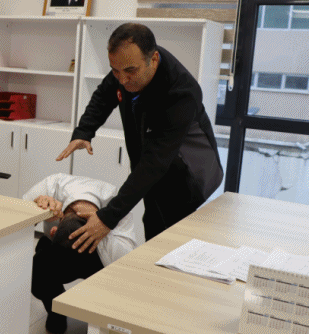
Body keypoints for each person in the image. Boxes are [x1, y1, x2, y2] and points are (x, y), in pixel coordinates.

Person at [56, 22, 223, 251]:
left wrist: (107, 218)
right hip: (155, 164)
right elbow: (104, 95)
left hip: (188, 177)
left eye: (130, 72)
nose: (122, 80)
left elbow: (154, 165)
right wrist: (84, 131)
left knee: (171, 241)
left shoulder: (181, 93)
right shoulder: (126, 66)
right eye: (115, 71)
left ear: (153, 59)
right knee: (152, 229)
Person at [23, 173, 138, 334]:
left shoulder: (115, 201)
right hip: (59, 249)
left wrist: (102, 227)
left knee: (119, 286)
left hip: (97, 254)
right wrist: (35, 210)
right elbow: (14, 221)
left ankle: (100, 324)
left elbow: (127, 262)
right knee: (38, 271)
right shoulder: (50, 186)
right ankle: (56, 311)